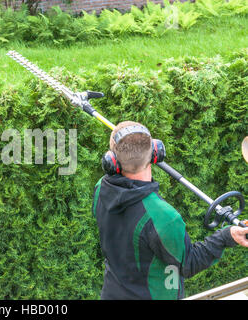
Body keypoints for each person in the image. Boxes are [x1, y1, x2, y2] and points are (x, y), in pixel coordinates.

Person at [92, 120, 248, 300]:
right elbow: (189, 263)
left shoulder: (101, 189)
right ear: (156, 153)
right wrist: (226, 236)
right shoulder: (164, 217)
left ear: (111, 161)